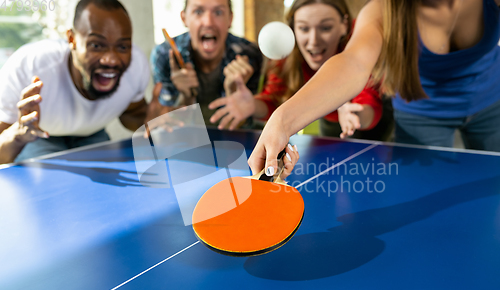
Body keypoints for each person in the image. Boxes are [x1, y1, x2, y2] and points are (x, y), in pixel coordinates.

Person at [249, 0, 500, 177]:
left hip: (492, 101)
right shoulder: (383, 10)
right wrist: (281, 121)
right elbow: (353, 63)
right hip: (421, 115)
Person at [0, 0, 164, 164]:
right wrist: (18, 135)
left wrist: (151, 120)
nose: (111, 60)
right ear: (72, 39)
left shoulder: (135, 66)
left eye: (122, 47)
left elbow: (131, 113)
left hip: (92, 133)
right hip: (39, 137)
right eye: (96, 45)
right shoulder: (28, 67)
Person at [209, 0, 388, 139]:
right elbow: (276, 100)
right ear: (293, 29)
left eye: (325, 28)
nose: (313, 41)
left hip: (372, 130)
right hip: (330, 122)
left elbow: (370, 105)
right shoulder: (287, 55)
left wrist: (356, 114)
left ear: (344, 25)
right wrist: (252, 105)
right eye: (303, 28)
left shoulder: (361, 44)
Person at [150, 0, 263, 129]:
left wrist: (233, 92)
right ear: (184, 18)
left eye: (218, 12)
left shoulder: (249, 54)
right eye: (198, 11)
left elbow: (243, 130)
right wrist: (186, 97)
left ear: (230, 19)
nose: (208, 22)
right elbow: (168, 128)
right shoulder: (164, 55)